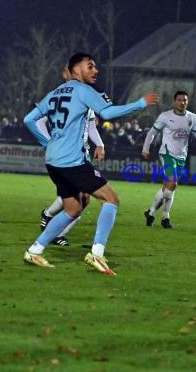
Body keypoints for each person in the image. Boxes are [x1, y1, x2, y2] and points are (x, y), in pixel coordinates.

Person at [23, 52, 159, 274]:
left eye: (95, 67)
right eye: (90, 67)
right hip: (71, 161)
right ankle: (97, 254)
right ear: (75, 70)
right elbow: (108, 112)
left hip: (53, 160)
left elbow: (28, 120)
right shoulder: (84, 91)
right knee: (111, 200)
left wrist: (47, 142)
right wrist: (139, 103)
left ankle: (34, 250)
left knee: (73, 209)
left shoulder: (55, 92)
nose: (95, 71)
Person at [39, 64, 107, 247]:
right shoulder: (60, 97)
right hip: (68, 155)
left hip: (82, 153)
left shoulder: (85, 96)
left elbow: (91, 126)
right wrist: (51, 141)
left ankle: (49, 221)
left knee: (81, 198)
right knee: (84, 198)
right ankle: (55, 232)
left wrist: (100, 144)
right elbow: (39, 122)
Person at [142, 90, 196, 229]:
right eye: (180, 100)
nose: (182, 102)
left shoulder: (192, 117)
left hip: (181, 156)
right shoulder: (165, 116)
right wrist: (145, 148)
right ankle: (165, 217)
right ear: (174, 101)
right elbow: (152, 132)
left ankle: (151, 212)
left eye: (185, 100)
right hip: (167, 153)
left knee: (167, 187)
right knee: (172, 184)